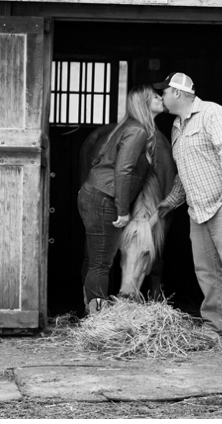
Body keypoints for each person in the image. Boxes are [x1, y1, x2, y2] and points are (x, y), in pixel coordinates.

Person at [154, 72, 222, 350]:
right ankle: (216, 327)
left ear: (177, 92)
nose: (161, 97)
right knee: (207, 271)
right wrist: (171, 201)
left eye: (164, 92)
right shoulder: (176, 126)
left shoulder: (212, 113)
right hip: (199, 209)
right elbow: (185, 172)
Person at [78, 84, 169, 315]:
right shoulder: (138, 131)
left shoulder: (133, 128)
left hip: (101, 194)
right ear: (144, 104)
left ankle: (93, 311)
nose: (160, 97)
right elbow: (124, 170)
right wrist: (122, 211)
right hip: (104, 197)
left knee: (98, 260)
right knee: (100, 263)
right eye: (154, 96)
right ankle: (97, 318)